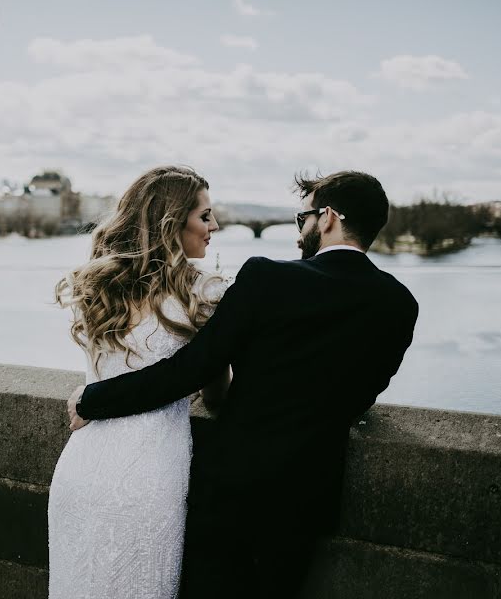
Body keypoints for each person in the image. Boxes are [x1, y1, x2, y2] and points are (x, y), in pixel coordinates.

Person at [67, 170, 419, 598]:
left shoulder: (267, 278)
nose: (300, 229)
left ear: (327, 218)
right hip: (307, 499)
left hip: (229, 491)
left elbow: (190, 369)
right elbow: (360, 398)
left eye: (302, 217)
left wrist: (94, 398)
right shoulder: (400, 304)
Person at [47, 165, 230, 599]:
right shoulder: (203, 294)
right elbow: (218, 397)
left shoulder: (96, 285)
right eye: (205, 216)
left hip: (82, 469)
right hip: (150, 476)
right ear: (172, 222)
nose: (215, 226)